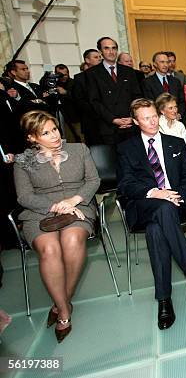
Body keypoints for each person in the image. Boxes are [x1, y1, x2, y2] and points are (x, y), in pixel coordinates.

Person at [117, 98, 186, 330]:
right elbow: (125, 185)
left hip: (176, 202)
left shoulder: (175, 142)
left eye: (154, 115)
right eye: (146, 118)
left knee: (157, 230)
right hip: (144, 204)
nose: (153, 121)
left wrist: (177, 194)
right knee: (162, 209)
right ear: (136, 122)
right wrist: (155, 192)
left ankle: (164, 299)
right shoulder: (127, 148)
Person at [13, 110, 101, 342]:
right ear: (32, 138)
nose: (54, 135)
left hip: (78, 206)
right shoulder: (24, 161)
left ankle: (61, 303)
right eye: (45, 132)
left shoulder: (78, 149)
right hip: (39, 213)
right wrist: (55, 205)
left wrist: (72, 201)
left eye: (55, 129)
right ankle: (64, 307)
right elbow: (24, 196)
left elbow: (94, 181)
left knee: (72, 239)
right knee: (50, 249)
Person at [86, 36, 142, 145]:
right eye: (106, 48)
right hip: (109, 128)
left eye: (114, 48)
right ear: (100, 51)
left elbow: (137, 96)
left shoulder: (129, 72)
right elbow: (94, 101)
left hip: (130, 125)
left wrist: (132, 117)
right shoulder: (92, 73)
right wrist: (113, 119)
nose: (111, 52)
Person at [142, 52, 186, 124]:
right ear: (155, 64)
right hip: (159, 122)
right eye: (162, 62)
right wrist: (163, 116)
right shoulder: (147, 82)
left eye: (167, 62)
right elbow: (150, 102)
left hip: (177, 121)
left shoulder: (176, 81)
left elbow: (182, 101)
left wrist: (179, 114)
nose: (165, 65)